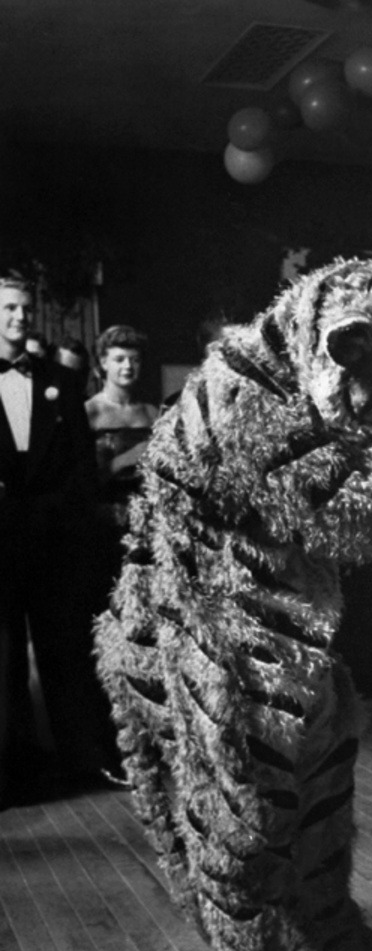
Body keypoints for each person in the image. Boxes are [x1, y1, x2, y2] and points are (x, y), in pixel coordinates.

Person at [0, 272, 105, 805]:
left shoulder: (60, 385)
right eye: (9, 309)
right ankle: (13, 777)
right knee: (4, 662)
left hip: (53, 545)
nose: (20, 318)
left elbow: (81, 473)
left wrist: (58, 524)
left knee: (66, 654)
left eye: (25, 309)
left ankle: (83, 763)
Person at [85, 325, 159, 606]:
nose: (127, 366)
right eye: (119, 359)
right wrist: (126, 460)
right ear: (103, 363)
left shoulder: (152, 413)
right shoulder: (89, 412)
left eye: (134, 359)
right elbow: (81, 478)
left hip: (145, 523)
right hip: (102, 525)